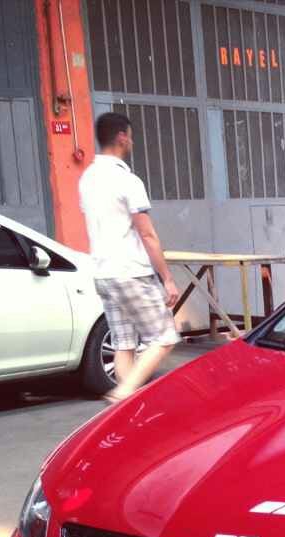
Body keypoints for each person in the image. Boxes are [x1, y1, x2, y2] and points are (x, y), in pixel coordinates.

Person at [79, 111, 180, 402]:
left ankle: (123, 407)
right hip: (130, 273)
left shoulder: (87, 179)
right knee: (164, 337)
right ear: (122, 137)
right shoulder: (127, 180)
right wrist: (168, 279)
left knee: (124, 343)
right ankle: (123, 393)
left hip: (103, 274)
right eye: (131, 137)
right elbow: (147, 234)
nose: (132, 142)